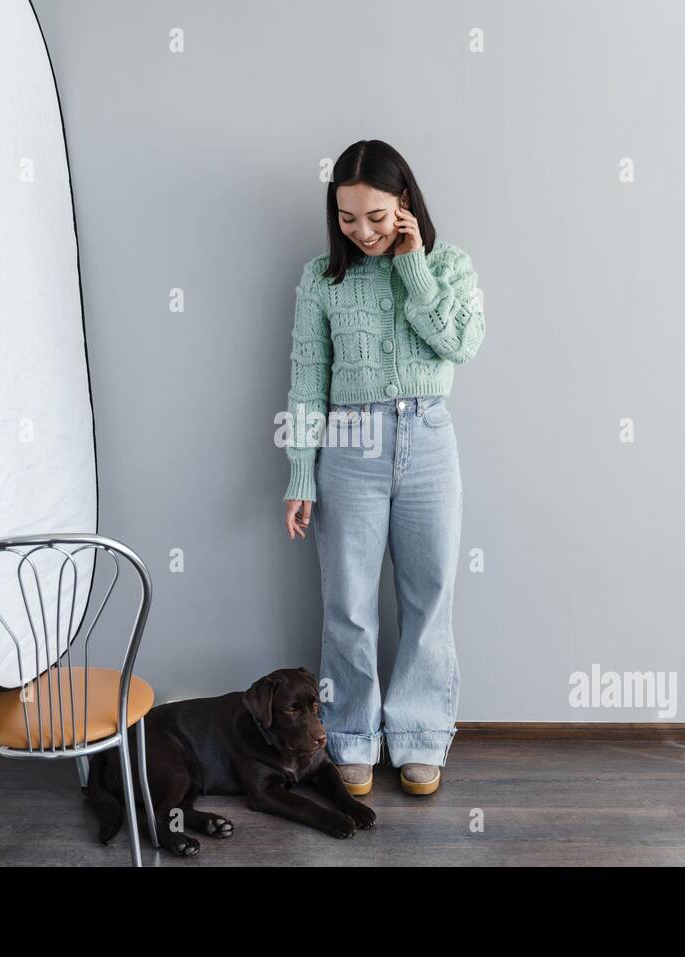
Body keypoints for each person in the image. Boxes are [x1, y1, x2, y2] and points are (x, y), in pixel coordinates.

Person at [281, 139, 486, 797]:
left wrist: (413, 265)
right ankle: (349, 737)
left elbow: (461, 342)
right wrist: (300, 474)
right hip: (349, 444)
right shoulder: (321, 278)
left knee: (429, 599)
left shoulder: (447, 265)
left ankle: (422, 737)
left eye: (375, 216)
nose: (361, 231)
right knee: (347, 604)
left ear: (403, 206)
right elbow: (307, 379)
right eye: (347, 217)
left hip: (427, 439)